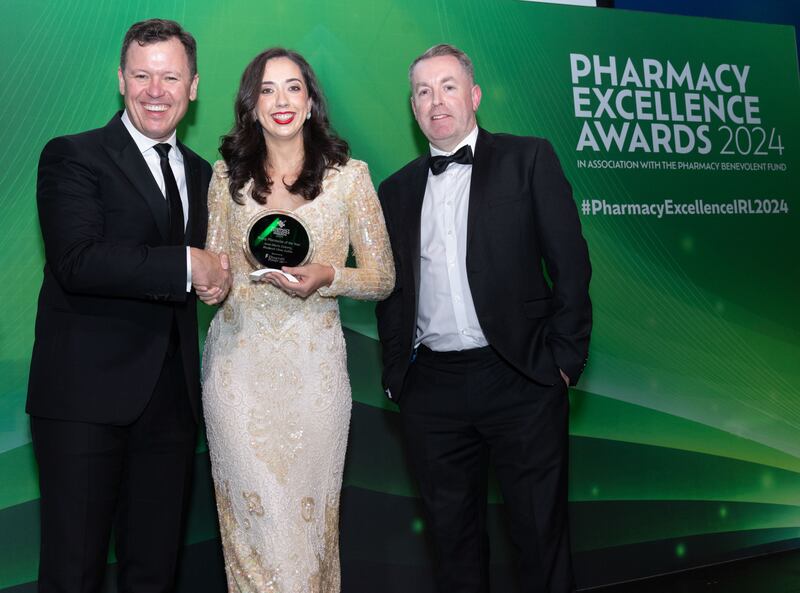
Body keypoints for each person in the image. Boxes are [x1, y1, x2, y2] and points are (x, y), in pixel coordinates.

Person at [375, 44, 592, 593]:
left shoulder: (529, 158)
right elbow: (391, 291)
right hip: (434, 391)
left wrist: (563, 361)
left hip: (521, 377)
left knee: (540, 540)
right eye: (423, 91)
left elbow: (570, 264)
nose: (435, 100)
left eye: (448, 86)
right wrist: (399, 376)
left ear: (473, 96)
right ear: (413, 106)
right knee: (453, 547)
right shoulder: (395, 190)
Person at [26, 18, 231, 593]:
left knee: (154, 571)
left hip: (170, 405)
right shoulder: (73, 156)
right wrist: (189, 266)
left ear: (193, 87)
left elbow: (194, 270)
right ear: (121, 80)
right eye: (142, 75)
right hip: (84, 403)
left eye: (170, 77)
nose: (155, 90)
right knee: (74, 571)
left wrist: (213, 283)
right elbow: (79, 260)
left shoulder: (200, 172)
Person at [201, 47, 394, 592]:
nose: (280, 100)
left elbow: (383, 276)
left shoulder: (350, 178)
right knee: (252, 531)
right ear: (251, 105)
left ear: (310, 101)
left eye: (292, 87)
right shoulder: (227, 178)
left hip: (314, 376)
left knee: (306, 537)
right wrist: (210, 282)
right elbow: (217, 271)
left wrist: (327, 275)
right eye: (266, 89)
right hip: (238, 375)